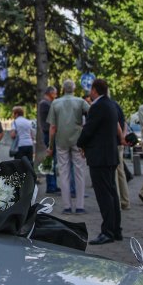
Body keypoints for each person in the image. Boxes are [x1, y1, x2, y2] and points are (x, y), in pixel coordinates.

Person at [77, 78, 122, 245]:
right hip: (110, 155)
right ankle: (116, 230)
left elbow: (89, 130)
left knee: (104, 196)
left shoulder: (97, 106)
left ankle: (108, 231)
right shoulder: (111, 104)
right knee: (112, 194)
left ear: (95, 90)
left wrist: (80, 143)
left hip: (99, 157)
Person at [47, 79, 89, 215]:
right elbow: (92, 114)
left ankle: (66, 206)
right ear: (74, 88)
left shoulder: (55, 103)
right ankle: (80, 206)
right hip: (78, 140)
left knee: (64, 173)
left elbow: (52, 127)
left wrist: (50, 145)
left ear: (63, 89)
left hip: (61, 141)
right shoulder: (81, 102)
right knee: (79, 172)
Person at [37, 86, 59, 193]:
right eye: (55, 93)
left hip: (49, 134)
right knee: (50, 161)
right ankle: (51, 186)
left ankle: (53, 185)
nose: (56, 95)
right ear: (50, 93)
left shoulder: (45, 103)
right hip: (49, 134)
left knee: (51, 160)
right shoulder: (45, 104)